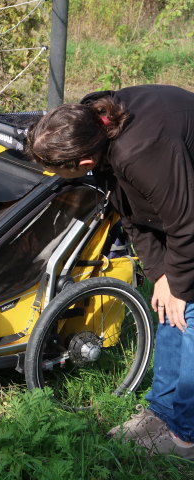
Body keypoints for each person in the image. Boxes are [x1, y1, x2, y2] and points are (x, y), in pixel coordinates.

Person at [25, 84, 194, 459]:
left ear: (83, 163)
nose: (49, 175)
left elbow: (186, 224)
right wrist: (161, 274)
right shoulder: (91, 125)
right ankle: (163, 412)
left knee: (191, 312)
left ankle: (187, 437)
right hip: (179, 199)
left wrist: (180, 286)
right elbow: (131, 213)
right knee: (166, 306)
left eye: (55, 170)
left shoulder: (140, 151)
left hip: (189, 208)